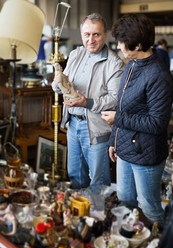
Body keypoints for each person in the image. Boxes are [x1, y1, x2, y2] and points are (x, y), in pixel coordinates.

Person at [108, 13, 173, 229]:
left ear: (137, 45)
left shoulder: (158, 74)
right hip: (125, 147)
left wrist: (118, 119)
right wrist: (113, 140)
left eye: (122, 43)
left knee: (149, 205)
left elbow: (157, 123)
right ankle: (131, 243)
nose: (118, 46)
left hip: (147, 154)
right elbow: (123, 106)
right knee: (125, 200)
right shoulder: (131, 64)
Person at [52, 13, 124, 195]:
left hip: (95, 129)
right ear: (81, 34)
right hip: (73, 124)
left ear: (105, 35)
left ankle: (98, 218)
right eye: (86, 34)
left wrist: (88, 102)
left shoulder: (114, 63)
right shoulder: (76, 54)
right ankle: (79, 217)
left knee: (98, 180)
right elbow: (63, 84)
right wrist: (57, 81)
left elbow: (116, 99)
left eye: (96, 34)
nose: (90, 40)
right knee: (75, 175)